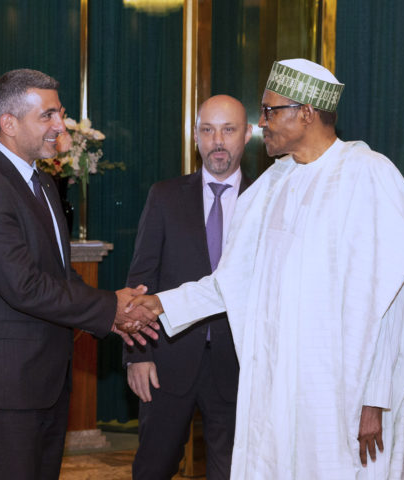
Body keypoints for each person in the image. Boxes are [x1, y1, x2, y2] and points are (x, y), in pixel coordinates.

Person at [127, 58, 404, 479]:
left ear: (306, 113)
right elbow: (232, 283)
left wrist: (377, 396)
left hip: (345, 393)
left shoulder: (367, 175)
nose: (262, 124)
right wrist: (156, 304)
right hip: (277, 389)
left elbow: (403, 291)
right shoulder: (273, 184)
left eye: (270, 111)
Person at [0, 68, 158, 479]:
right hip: (5, 386)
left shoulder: (40, 182)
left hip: (42, 381)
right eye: (47, 115)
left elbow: (57, 274)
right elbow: (23, 287)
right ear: (9, 123)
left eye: (59, 113)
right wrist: (110, 308)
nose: (60, 125)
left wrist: (114, 310)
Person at [124, 95, 251, 479]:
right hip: (167, 361)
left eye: (228, 130)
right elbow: (140, 283)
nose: (217, 141)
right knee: (153, 467)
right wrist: (138, 354)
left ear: (246, 135)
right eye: (207, 130)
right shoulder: (164, 196)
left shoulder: (266, 201)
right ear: (195, 136)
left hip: (240, 365)